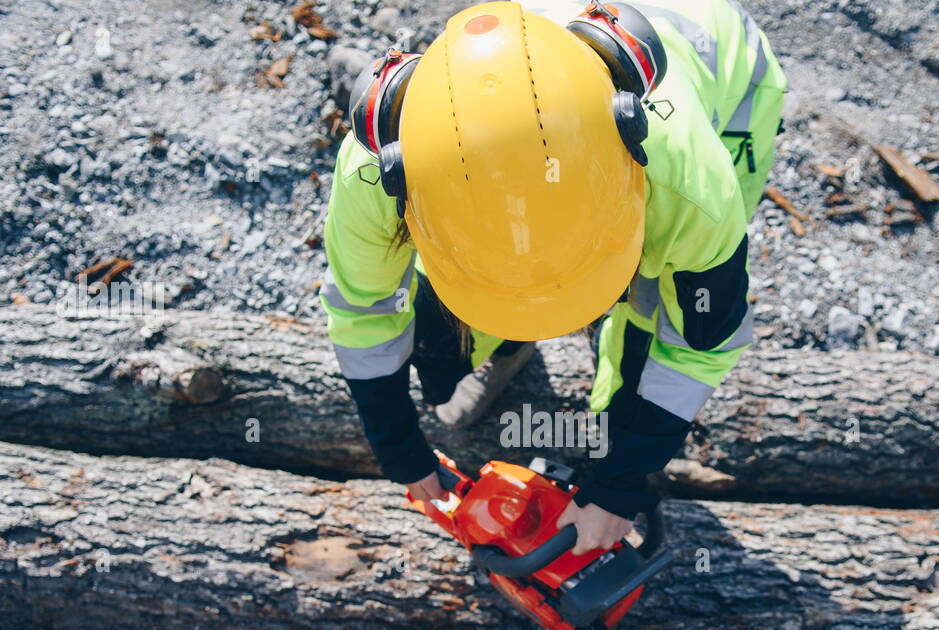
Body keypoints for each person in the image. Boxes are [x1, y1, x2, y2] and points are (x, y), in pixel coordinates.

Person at [321, 0, 785, 553]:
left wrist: (619, 485)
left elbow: (701, 343)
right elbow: (364, 310)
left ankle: (613, 428)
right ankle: (509, 344)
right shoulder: (379, 168)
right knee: (435, 342)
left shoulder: (688, 178)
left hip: (729, 78)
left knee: (647, 337)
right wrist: (397, 447)